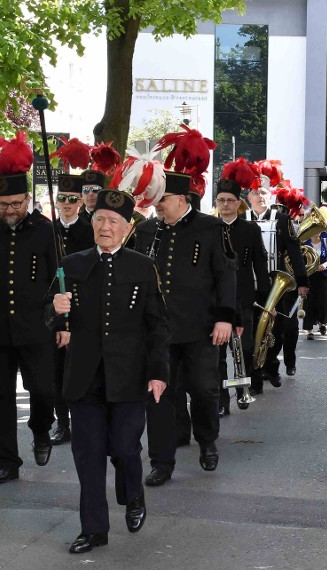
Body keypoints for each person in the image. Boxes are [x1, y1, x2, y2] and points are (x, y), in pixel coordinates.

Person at [50, 186, 170, 554]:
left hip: (129, 377)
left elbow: (157, 325)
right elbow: (50, 322)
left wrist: (158, 372)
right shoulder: (71, 265)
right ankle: (94, 529)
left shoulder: (141, 266)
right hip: (84, 378)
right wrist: (55, 310)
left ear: (126, 228)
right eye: (99, 218)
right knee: (87, 457)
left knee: (124, 447)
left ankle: (133, 496)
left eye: (113, 221)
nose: (104, 226)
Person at [131, 126, 236, 486]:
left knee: (204, 389)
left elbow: (225, 275)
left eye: (163, 199)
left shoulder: (209, 228)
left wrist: (225, 317)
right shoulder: (148, 230)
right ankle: (162, 460)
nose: (157, 204)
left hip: (201, 327)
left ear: (182, 199)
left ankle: (207, 440)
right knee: (160, 392)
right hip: (157, 330)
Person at [0, 131, 58, 484]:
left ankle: (40, 429)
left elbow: (56, 281)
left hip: (37, 326)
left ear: (28, 199)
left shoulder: (46, 231)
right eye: (4, 205)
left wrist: (61, 319)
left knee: (44, 389)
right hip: (1, 327)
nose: (10, 211)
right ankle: (7, 461)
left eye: (16, 204)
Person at [214, 159, 270, 413]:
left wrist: (265, 294)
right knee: (217, 353)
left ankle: (242, 389)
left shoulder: (249, 229)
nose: (225, 205)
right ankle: (221, 400)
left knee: (245, 347)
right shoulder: (208, 228)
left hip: (244, 296)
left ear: (238, 204)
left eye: (230, 200)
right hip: (215, 299)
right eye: (221, 200)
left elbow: (260, 261)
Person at [49, 174, 96, 446]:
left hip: (82, 307)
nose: (66, 204)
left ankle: (83, 421)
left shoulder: (90, 229)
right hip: (55, 307)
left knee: (82, 367)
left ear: (80, 202)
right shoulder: (48, 230)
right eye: (62, 199)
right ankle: (62, 423)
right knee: (57, 370)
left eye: (71, 199)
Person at [263, 184, 311, 379]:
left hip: (286, 284)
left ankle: (290, 361)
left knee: (289, 328)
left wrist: (302, 281)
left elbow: (296, 253)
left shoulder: (287, 223)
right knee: (269, 327)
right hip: (267, 281)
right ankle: (266, 365)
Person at [303, 230, 327, 340]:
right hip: (309, 277)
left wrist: (325, 264)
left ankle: (322, 324)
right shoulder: (305, 244)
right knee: (309, 302)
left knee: (323, 300)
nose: (315, 232)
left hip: (323, 276)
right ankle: (309, 331)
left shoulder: (326, 242)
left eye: (317, 229)